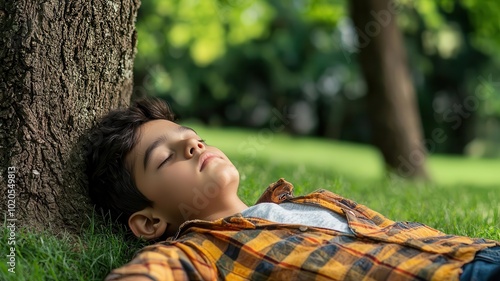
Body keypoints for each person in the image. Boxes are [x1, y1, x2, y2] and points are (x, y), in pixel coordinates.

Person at [86, 98, 500, 281]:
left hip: (478, 251)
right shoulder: (200, 252)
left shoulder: (308, 201)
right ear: (149, 221)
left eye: (194, 137)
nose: (193, 145)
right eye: (166, 157)